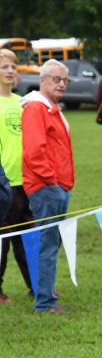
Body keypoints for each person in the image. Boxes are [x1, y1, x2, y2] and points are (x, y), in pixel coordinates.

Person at [21, 60, 74, 314]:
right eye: (57, 79)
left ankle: (46, 292)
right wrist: (52, 181)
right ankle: (44, 303)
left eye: (65, 80)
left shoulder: (51, 107)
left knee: (52, 243)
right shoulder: (35, 108)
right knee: (48, 244)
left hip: (57, 186)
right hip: (46, 187)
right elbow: (34, 151)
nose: (62, 84)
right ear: (43, 80)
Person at [0, 49, 33, 303]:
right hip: (4, 183)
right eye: (4, 67)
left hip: (26, 181)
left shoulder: (21, 102)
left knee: (28, 236)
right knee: (3, 240)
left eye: (13, 67)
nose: (10, 71)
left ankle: (35, 286)